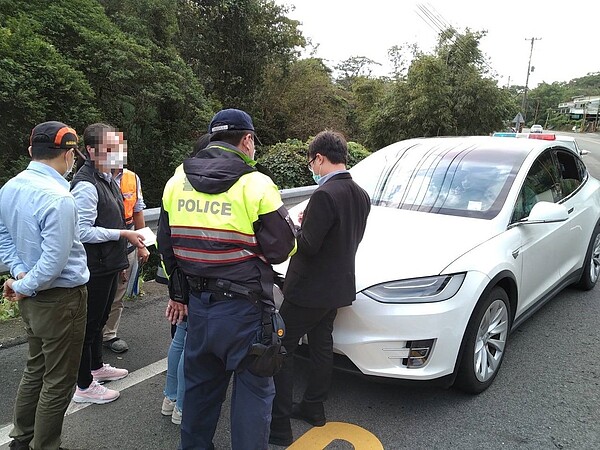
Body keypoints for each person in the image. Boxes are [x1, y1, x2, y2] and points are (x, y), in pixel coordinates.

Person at [157, 108, 296, 449]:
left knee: (199, 397)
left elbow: (166, 246)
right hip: (246, 314)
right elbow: (282, 248)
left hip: (199, 311)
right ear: (246, 140)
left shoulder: (177, 182)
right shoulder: (256, 184)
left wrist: (180, 295)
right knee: (253, 397)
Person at [269, 130, 371, 446]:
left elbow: (309, 246)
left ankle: (279, 424)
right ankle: (314, 406)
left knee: (281, 348)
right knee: (321, 344)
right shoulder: (360, 193)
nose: (311, 168)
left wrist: (293, 226)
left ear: (319, 159)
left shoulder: (325, 196)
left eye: (311, 161)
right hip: (337, 286)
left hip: (308, 290)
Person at [0, 121, 89, 450]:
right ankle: (45, 445)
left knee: (35, 367)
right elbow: (54, 264)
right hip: (61, 300)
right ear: (68, 154)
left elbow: (4, 237)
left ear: (30, 151)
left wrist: (20, 274)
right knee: (59, 379)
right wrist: (26, 283)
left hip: (32, 297)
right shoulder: (59, 198)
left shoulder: (9, 188)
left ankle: (21, 439)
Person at [70, 123, 145, 404]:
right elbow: (82, 231)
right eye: (111, 148)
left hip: (109, 262)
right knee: (89, 326)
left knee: (100, 321)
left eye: (119, 147)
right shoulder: (86, 184)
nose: (118, 154)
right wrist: (122, 234)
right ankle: (84, 385)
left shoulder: (107, 177)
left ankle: (97, 368)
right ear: (91, 150)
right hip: (94, 266)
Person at [160, 133, 211, 425]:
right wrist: (181, 293)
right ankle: (182, 404)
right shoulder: (200, 183)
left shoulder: (176, 180)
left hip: (179, 276)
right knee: (190, 342)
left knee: (181, 337)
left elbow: (165, 240)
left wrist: (175, 290)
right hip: (196, 278)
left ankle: (170, 397)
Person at [102, 167, 150, 353]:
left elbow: (138, 212)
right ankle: (88, 334)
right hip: (101, 242)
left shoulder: (132, 178)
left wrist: (141, 245)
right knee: (96, 291)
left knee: (119, 291)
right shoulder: (91, 176)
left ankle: (109, 335)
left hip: (127, 241)